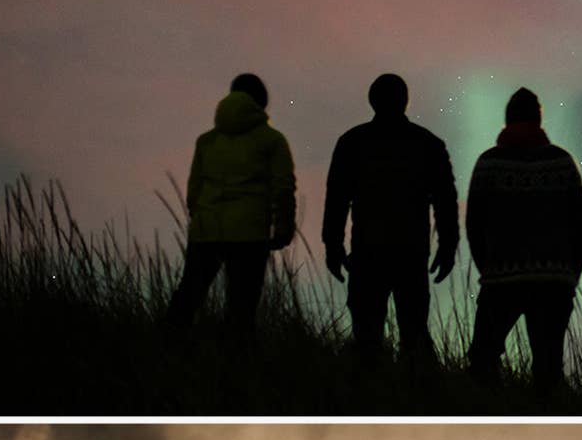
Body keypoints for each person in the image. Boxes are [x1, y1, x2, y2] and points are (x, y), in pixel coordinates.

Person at [321, 73, 459, 367]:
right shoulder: (428, 144)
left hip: (368, 251)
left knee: (367, 337)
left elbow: (337, 199)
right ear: (405, 101)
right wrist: (448, 246)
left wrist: (333, 245)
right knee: (414, 333)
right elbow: (445, 201)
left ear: (372, 101)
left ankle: (370, 389)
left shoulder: (352, 142)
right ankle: (417, 389)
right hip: (411, 252)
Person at [464, 87, 582, 393]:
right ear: (539, 120)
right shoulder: (562, 162)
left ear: (507, 120)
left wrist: (488, 269)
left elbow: (473, 224)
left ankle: (488, 412)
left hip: (500, 281)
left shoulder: (489, 163)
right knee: (548, 368)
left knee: (482, 359)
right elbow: (580, 226)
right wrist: (569, 276)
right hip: (553, 282)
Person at [164, 72, 297, 343]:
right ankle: (235, 362)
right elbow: (283, 187)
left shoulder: (207, 141)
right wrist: (284, 226)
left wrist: (200, 218)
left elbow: (194, 191)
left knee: (188, 297)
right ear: (261, 101)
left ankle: (164, 349)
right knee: (242, 308)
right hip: (249, 234)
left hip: (206, 231)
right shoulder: (272, 140)